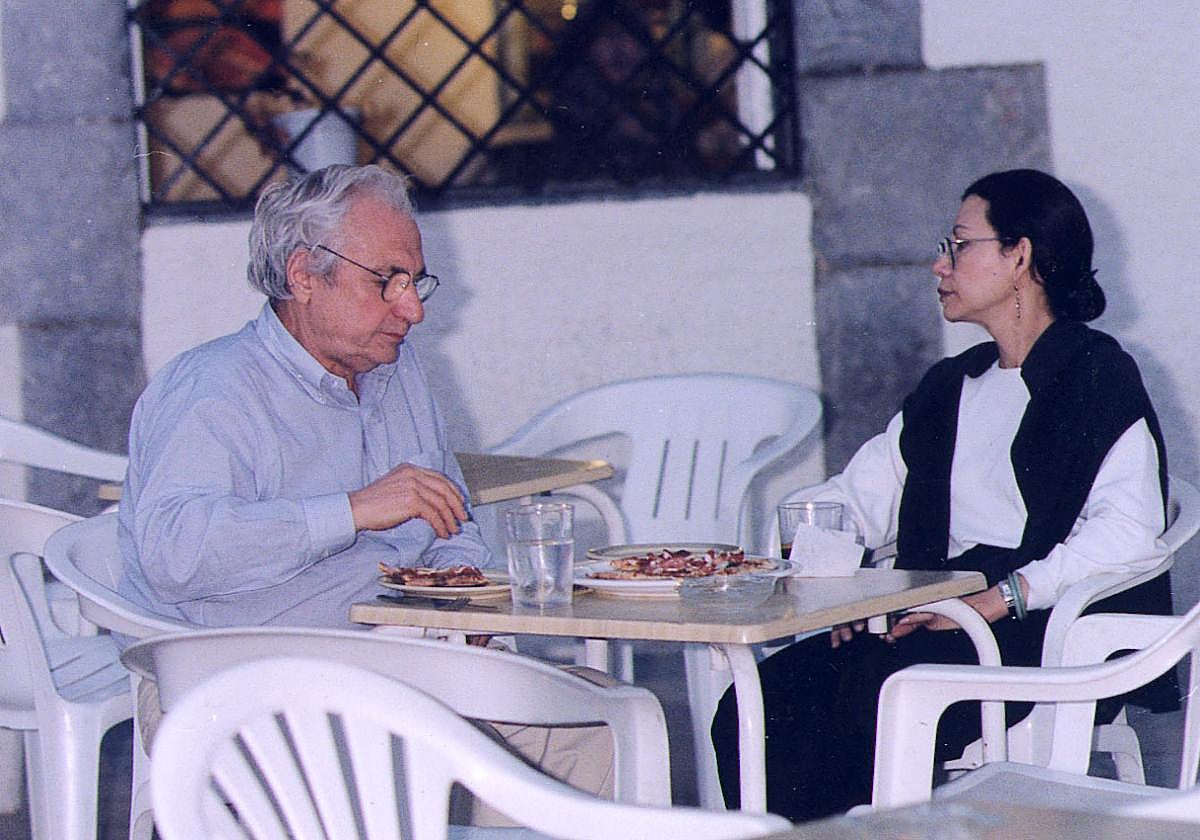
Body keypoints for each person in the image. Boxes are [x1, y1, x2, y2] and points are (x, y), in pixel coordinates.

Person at [118, 164, 612, 815]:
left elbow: (449, 515)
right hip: (240, 686)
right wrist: (351, 512)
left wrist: (460, 596)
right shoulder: (214, 389)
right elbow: (173, 553)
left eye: (415, 281)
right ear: (303, 277)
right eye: (388, 282)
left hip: (394, 664)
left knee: (591, 728)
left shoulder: (395, 369)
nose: (414, 308)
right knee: (415, 757)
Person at [712, 168, 1175, 821]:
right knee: (756, 702)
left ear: (1020, 256)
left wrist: (998, 598)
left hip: (1032, 629)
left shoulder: (1096, 373)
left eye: (959, 245)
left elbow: (1127, 532)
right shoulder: (952, 387)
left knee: (866, 697)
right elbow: (852, 499)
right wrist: (830, 585)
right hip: (927, 617)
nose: (940, 263)